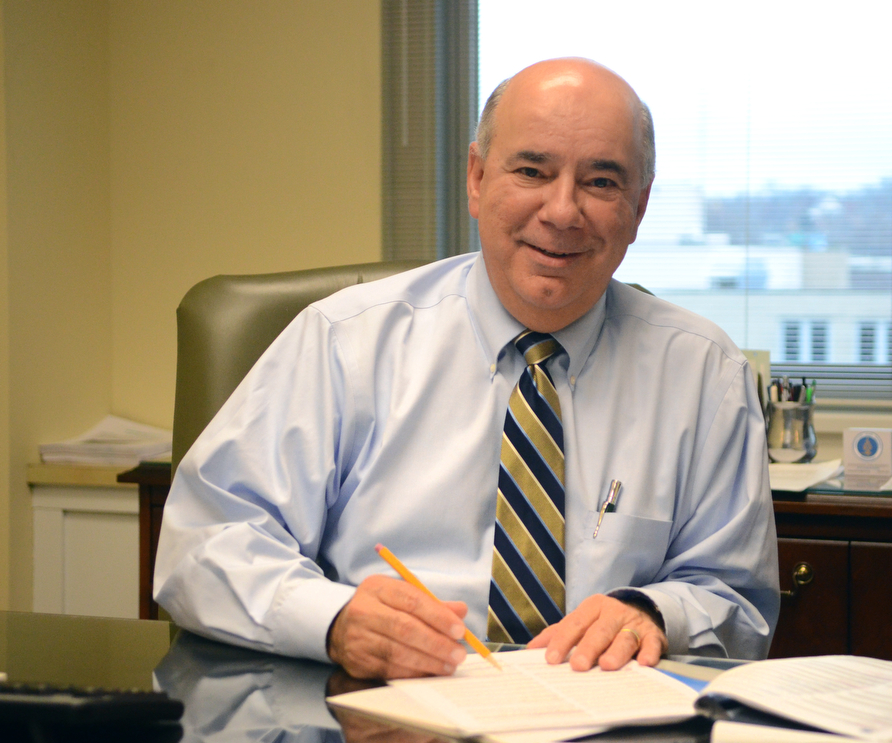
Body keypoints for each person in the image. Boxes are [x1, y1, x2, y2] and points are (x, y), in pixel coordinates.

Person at [154, 58, 779, 681]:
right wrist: (335, 619)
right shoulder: (346, 342)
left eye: (601, 183)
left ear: (639, 208)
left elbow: (737, 599)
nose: (562, 211)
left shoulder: (705, 375)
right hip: (381, 705)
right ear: (477, 179)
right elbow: (204, 543)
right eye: (532, 170)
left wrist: (654, 612)